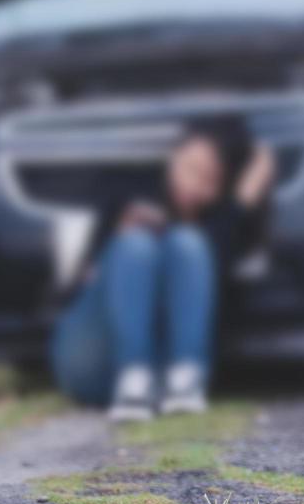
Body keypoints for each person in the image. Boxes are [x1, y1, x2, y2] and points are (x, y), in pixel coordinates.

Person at [49, 118, 274, 422]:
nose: (194, 185)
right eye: (191, 168)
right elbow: (77, 289)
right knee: (136, 246)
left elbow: (225, 302)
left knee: (188, 243)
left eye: (210, 181)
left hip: (167, 373)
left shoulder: (220, 229)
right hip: (97, 360)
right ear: (174, 157)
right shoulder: (128, 193)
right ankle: (134, 379)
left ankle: (184, 381)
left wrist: (244, 197)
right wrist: (115, 252)